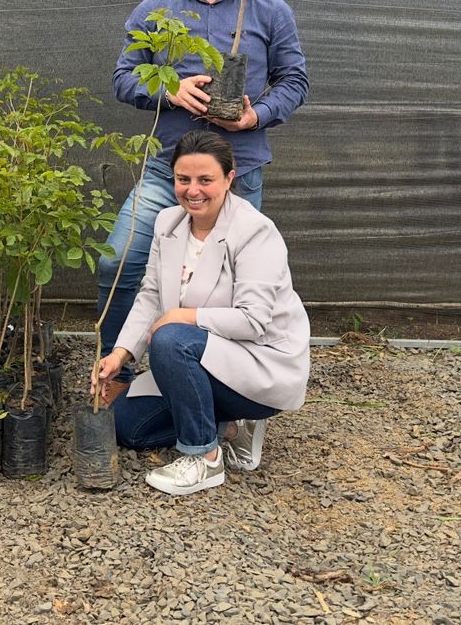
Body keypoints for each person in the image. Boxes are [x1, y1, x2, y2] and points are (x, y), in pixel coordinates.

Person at [97, 0, 308, 363]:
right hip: (166, 172)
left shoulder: (271, 11)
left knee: (232, 286)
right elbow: (122, 78)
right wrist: (168, 90)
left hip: (240, 171)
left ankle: (217, 388)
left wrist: (258, 114)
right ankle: (116, 370)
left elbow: (294, 81)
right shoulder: (155, 12)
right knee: (119, 261)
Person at [91, 130, 309, 495]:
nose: (193, 190)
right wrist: (119, 353)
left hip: (259, 365)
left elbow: (253, 320)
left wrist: (183, 318)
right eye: (183, 179)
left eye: (205, 180)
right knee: (128, 427)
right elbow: (149, 295)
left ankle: (203, 458)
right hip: (204, 356)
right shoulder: (168, 223)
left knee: (170, 337)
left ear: (229, 178)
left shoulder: (255, 232)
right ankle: (229, 428)